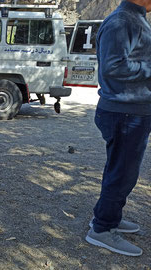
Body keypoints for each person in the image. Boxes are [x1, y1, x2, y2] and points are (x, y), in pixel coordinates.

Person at [85, 0, 151, 257]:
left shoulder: (135, 18)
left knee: (121, 171)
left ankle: (108, 216)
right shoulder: (122, 21)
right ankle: (102, 229)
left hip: (131, 111)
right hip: (124, 113)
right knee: (122, 174)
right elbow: (114, 66)